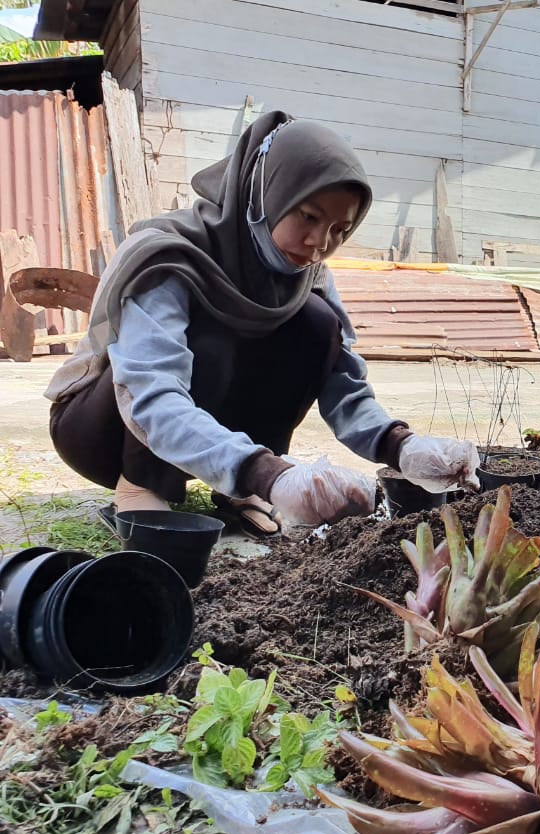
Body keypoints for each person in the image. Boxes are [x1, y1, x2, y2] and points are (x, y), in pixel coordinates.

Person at [45, 112, 478, 535]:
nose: (319, 243)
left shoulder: (307, 275)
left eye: (339, 230)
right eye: (308, 216)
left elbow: (344, 386)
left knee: (315, 323)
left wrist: (401, 446)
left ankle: (240, 485)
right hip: (104, 428)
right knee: (211, 334)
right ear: (268, 192)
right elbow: (151, 391)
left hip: (201, 437)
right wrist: (270, 474)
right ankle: (140, 484)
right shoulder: (171, 256)